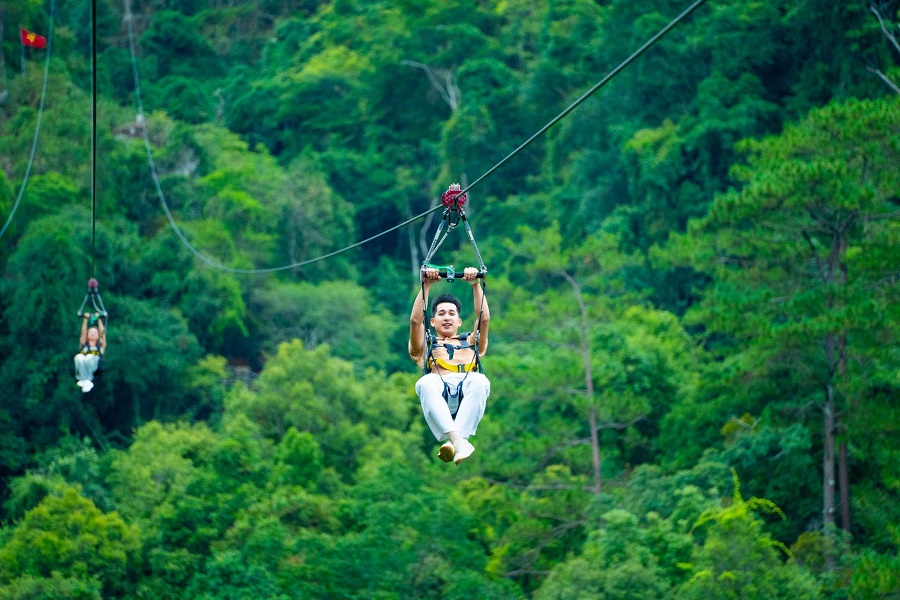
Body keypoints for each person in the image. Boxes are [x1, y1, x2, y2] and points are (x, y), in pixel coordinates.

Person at [409, 266, 491, 465]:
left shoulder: (472, 342)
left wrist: (475, 284)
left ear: (460, 321)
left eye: (452, 313)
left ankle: (455, 441)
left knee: (480, 380)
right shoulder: (426, 345)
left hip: (467, 395)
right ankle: (459, 441)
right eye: (442, 313)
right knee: (425, 382)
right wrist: (426, 285)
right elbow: (415, 321)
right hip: (440, 394)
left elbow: (484, 318)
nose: (447, 317)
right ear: (433, 320)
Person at [74, 312, 106, 393]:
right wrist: (85, 320)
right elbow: (83, 334)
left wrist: (98, 319)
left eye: (95, 332)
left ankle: (88, 380)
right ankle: (82, 379)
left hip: (94, 366)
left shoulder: (100, 346)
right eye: (91, 332)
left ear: (98, 335)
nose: (93, 334)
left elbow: (103, 334)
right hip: (84, 365)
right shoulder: (84, 345)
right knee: (79, 357)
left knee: (89, 357)